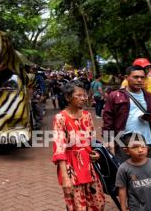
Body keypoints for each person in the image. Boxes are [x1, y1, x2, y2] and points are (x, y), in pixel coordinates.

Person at [52, 81, 105, 210]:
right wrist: (65, 178)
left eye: (85, 95)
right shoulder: (60, 118)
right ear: (68, 97)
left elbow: (92, 141)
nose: (83, 98)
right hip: (72, 167)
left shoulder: (87, 115)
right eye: (79, 95)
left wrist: (97, 153)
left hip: (89, 165)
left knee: (98, 202)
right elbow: (59, 149)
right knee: (78, 205)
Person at [103, 65, 151, 162]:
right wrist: (108, 140)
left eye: (142, 77)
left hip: (148, 142)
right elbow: (108, 119)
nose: (139, 80)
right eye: (135, 77)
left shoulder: (150, 97)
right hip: (124, 143)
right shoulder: (115, 96)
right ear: (126, 78)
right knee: (126, 173)